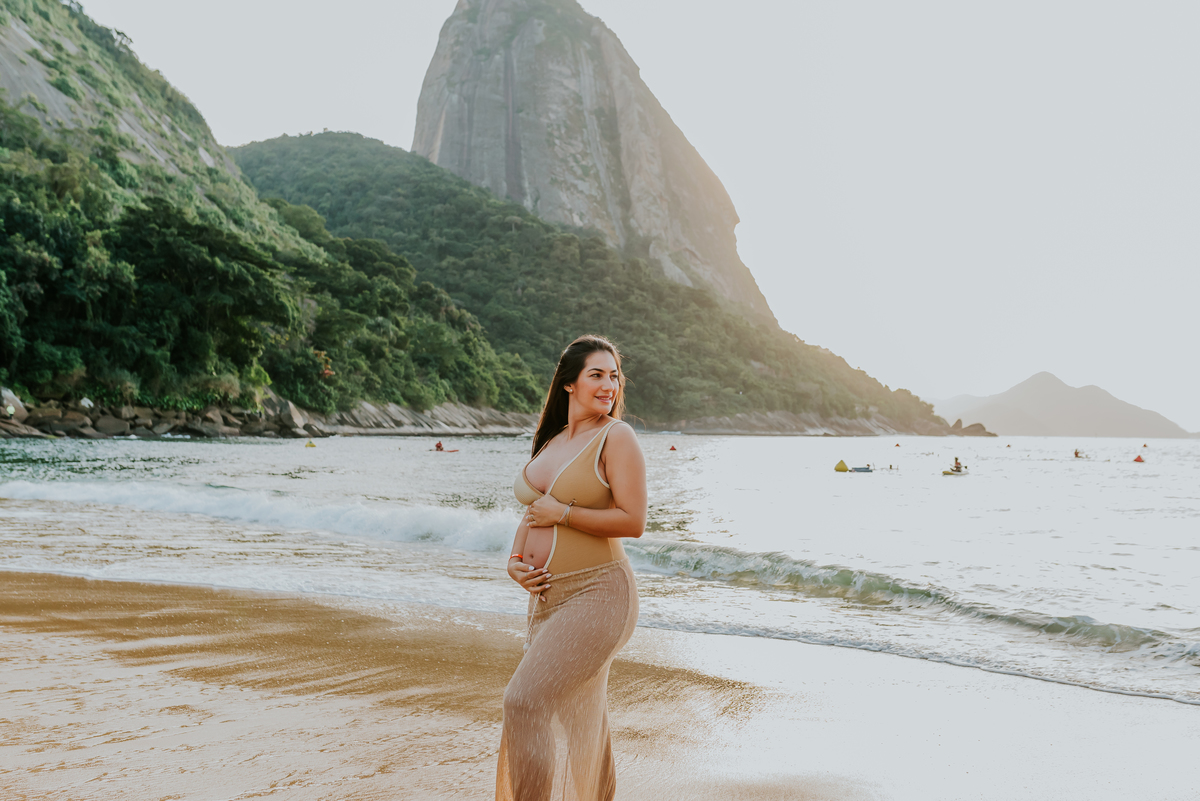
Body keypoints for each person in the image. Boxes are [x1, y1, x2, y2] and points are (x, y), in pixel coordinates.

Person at [499, 334, 646, 801]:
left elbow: (633, 520)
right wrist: (514, 563)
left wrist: (563, 514)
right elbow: (531, 512)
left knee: (524, 701)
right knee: (581, 721)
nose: (609, 385)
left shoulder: (616, 436)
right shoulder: (554, 440)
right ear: (569, 383)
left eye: (614, 375)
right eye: (597, 375)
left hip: (600, 594)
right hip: (549, 597)